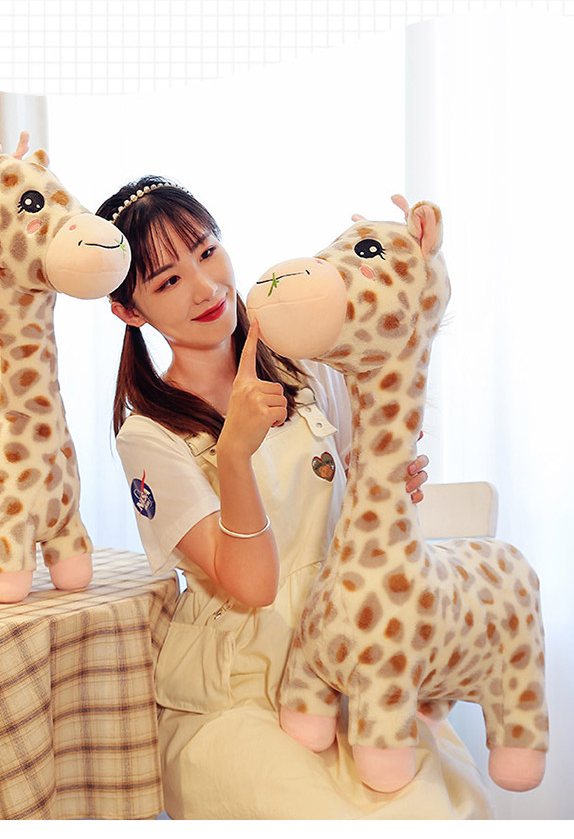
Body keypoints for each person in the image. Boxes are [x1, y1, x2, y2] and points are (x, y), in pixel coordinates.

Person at [95, 176, 492, 820]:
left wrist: (385, 484)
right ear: (129, 311)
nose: (205, 287)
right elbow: (251, 585)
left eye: (207, 251)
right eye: (167, 281)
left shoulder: (307, 368)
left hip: (349, 660)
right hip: (237, 697)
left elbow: (368, 487)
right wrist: (234, 454)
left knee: (443, 811)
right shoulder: (149, 437)